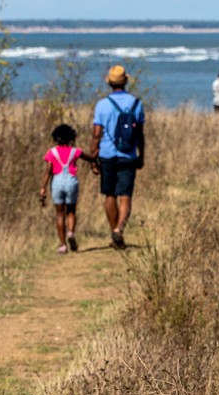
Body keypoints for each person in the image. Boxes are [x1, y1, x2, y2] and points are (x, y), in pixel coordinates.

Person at [90, 65, 146, 249]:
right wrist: (141, 155)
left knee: (110, 194)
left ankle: (113, 228)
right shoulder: (136, 104)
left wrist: (93, 157)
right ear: (126, 81)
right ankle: (119, 229)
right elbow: (140, 134)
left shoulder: (102, 105)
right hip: (128, 154)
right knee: (125, 195)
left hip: (107, 154)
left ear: (110, 83)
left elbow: (96, 134)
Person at [38, 124, 94, 254]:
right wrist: (95, 157)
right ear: (71, 138)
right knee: (71, 211)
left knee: (59, 214)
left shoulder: (52, 152)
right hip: (71, 181)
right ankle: (71, 233)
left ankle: (63, 245)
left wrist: (43, 188)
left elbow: (48, 171)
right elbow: (89, 158)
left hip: (57, 182)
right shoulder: (75, 151)